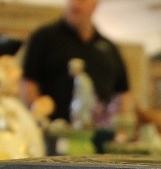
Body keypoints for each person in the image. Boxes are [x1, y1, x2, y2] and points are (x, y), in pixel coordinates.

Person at [20, 0, 130, 151]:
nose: (75, 4)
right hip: (56, 137)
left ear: (94, 5)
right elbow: (29, 83)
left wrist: (120, 127)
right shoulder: (45, 38)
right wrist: (39, 123)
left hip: (99, 138)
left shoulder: (108, 47)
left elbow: (122, 92)